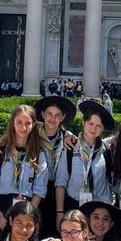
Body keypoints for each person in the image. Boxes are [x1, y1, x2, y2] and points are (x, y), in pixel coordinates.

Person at [0, 105, 48, 237]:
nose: (23, 127)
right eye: (19, 122)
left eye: (28, 123)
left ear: (33, 124)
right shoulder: (0, 150)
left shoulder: (38, 152)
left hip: (27, 206)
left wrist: (28, 215)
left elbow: (40, 189)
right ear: (12, 123)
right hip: (0, 207)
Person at [55, 99, 114, 227]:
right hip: (74, 206)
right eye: (90, 123)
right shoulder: (70, 147)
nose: (94, 128)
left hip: (99, 209)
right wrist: (60, 212)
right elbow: (61, 181)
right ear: (83, 122)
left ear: (103, 129)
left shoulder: (106, 150)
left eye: (98, 126)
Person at [32, 94, 77, 233]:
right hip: (36, 191)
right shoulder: (32, 136)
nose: (53, 118)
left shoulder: (67, 138)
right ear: (42, 115)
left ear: (63, 118)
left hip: (60, 193)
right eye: (49, 114)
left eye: (57, 115)